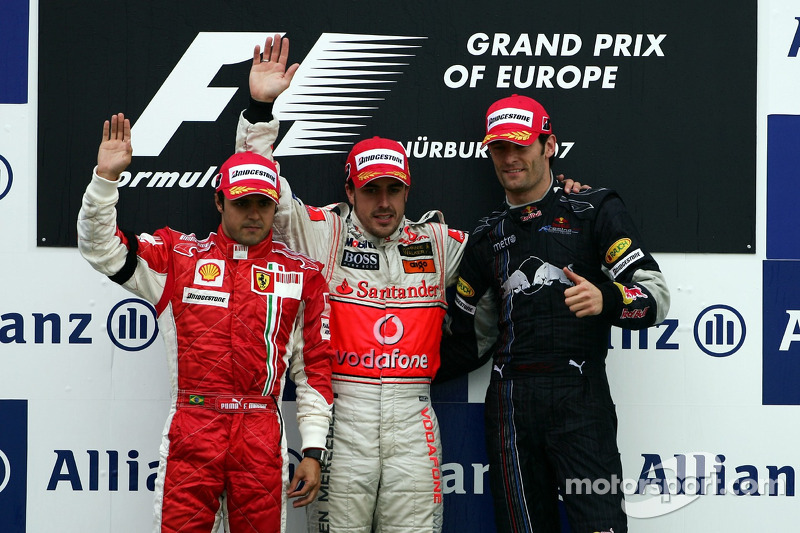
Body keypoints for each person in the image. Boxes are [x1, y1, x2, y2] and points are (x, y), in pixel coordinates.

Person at [238, 37, 584, 532]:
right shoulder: (324, 232)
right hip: (343, 415)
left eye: (393, 190)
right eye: (371, 190)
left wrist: (560, 197)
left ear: (407, 190)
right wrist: (260, 108)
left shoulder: (438, 242)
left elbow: (515, 244)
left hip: (414, 413)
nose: (384, 202)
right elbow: (257, 183)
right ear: (349, 190)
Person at [77, 112, 334, 532]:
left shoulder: (303, 275)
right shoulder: (178, 258)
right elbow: (100, 249)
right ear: (219, 201)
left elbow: (315, 371)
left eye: (263, 204)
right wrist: (106, 180)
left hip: (261, 432)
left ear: (275, 205)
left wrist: (312, 449)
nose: (254, 214)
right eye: (242, 203)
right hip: (193, 427)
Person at [440, 94, 670, 533]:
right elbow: (472, 341)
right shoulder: (486, 237)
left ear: (549, 145)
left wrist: (608, 299)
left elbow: (656, 296)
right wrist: (397, 375)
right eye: (499, 148)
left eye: (521, 145)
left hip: (580, 402)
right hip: (510, 406)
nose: (510, 158)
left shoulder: (593, 209)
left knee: (601, 525)